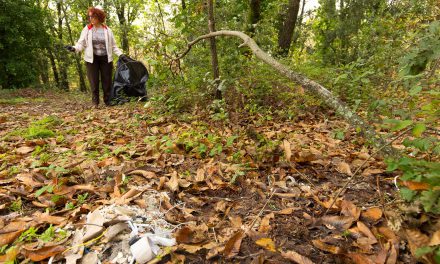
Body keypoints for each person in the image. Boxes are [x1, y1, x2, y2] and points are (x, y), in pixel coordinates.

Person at [65, 7, 127, 108]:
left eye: (93, 16)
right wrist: (74, 48)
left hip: (105, 58)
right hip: (91, 59)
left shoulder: (107, 30)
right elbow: (81, 44)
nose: (91, 19)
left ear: (99, 17)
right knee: (93, 81)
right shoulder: (87, 29)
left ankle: (108, 101)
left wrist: (121, 54)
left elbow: (113, 46)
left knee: (107, 81)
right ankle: (95, 103)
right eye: (90, 17)